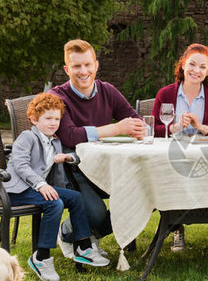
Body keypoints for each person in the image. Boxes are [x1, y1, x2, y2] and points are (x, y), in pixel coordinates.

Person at [49, 39, 144, 257]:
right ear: (67, 69)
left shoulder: (107, 90)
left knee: (140, 199)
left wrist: (140, 128)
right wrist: (116, 128)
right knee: (98, 215)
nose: (83, 71)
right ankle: (66, 233)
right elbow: (70, 135)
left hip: (106, 166)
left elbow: (135, 118)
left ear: (96, 65)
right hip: (72, 170)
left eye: (87, 65)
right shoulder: (58, 97)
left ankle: (88, 238)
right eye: (76, 66)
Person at [4, 93, 109, 281]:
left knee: (76, 197)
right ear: (34, 120)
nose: (53, 123)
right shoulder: (27, 137)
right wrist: (40, 184)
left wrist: (68, 158)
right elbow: (20, 165)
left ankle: (84, 247)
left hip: (37, 190)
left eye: (57, 119)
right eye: (48, 118)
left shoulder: (55, 141)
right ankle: (41, 257)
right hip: (17, 191)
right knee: (55, 203)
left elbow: (74, 155)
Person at [152, 43, 208, 252]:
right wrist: (175, 127)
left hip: (204, 155)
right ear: (183, 65)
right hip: (171, 154)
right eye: (192, 64)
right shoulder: (166, 93)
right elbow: (153, 128)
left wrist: (200, 127)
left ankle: (183, 222)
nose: (196, 70)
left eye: (202, 67)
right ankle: (176, 227)